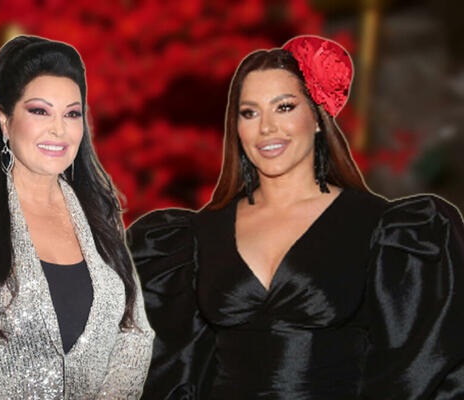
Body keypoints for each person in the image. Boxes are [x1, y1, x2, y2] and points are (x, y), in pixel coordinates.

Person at [127, 35, 464, 399]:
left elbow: (421, 369)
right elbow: (163, 370)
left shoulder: (386, 231)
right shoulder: (191, 238)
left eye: (284, 107)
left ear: (317, 118)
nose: (266, 127)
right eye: (249, 112)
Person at [0, 35, 154, 399]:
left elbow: (133, 331)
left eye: (72, 114)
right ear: (5, 120)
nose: (59, 129)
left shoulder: (99, 211)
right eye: (40, 111)